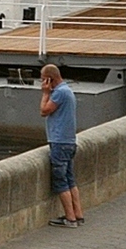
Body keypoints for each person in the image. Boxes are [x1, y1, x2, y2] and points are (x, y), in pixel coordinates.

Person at [41, 63, 84, 227]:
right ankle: (78, 214)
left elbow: (44, 111)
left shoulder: (59, 93)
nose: (42, 83)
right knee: (70, 179)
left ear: (49, 79)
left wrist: (45, 93)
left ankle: (70, 218)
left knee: (61, 182)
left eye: (43, 80)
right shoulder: (68, 90)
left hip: (59, 142)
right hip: (69, 142)